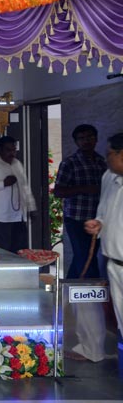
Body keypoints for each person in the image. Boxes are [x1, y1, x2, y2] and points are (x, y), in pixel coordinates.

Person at [84, 132, 123, 362]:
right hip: (113, 263)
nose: (106, 158)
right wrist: (98, 224)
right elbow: (104, 212)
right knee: (121, 321)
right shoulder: (109, 177)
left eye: (110, 154)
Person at [54, 124, 107, 279]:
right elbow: (58, 192)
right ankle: (93, 290)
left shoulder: (102, 162)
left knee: (85, 256)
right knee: (85, 258)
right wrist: (84, 189)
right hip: (76, 218)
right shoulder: (69, 163)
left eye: (90, 137)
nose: (86, 141)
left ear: (96, 139)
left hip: (97, 218)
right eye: (81, 138)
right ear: (76, 142)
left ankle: (69, 287)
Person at [0, 136, 36, 253]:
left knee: (20, 250)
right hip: (0, 217)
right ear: (0, 149)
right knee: (2, 251)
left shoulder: (17, 164)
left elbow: (25, 187)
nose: (12, 153)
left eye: (14, 150)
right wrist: (3, 183)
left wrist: (31, 207)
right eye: (8, 150)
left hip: (18, 216)